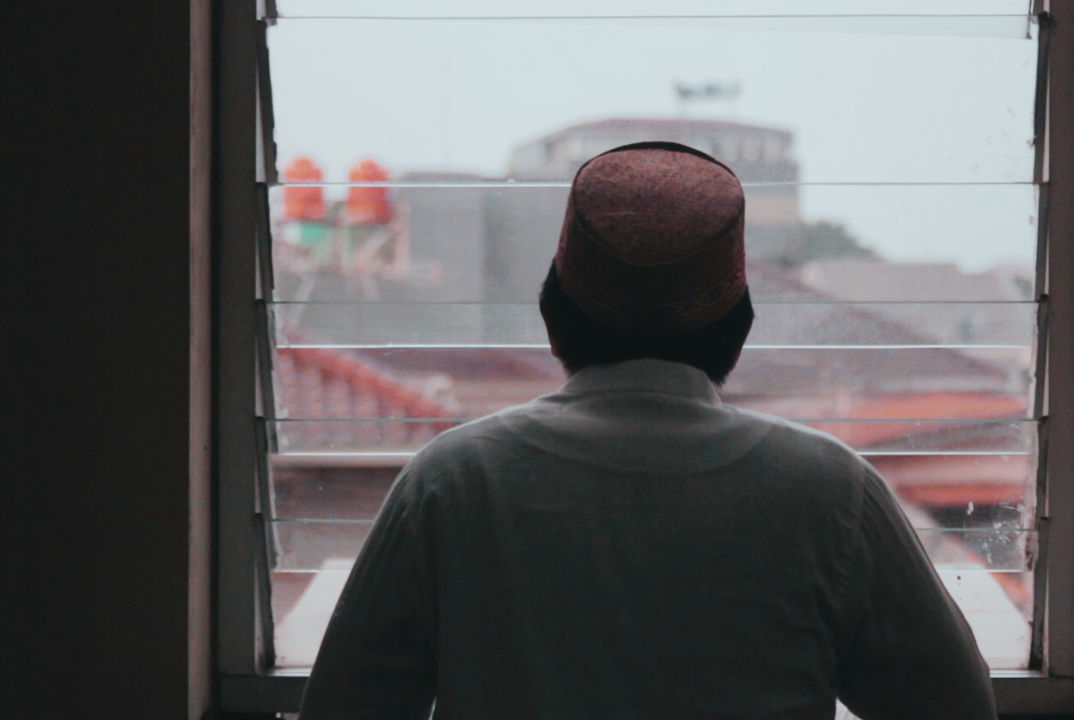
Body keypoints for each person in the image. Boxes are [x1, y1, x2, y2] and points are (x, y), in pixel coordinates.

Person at [297, 142, 996, 719]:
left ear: (552, 310)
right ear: (738, 325)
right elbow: (954, 707)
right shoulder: (831, 495)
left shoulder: (450, 485)